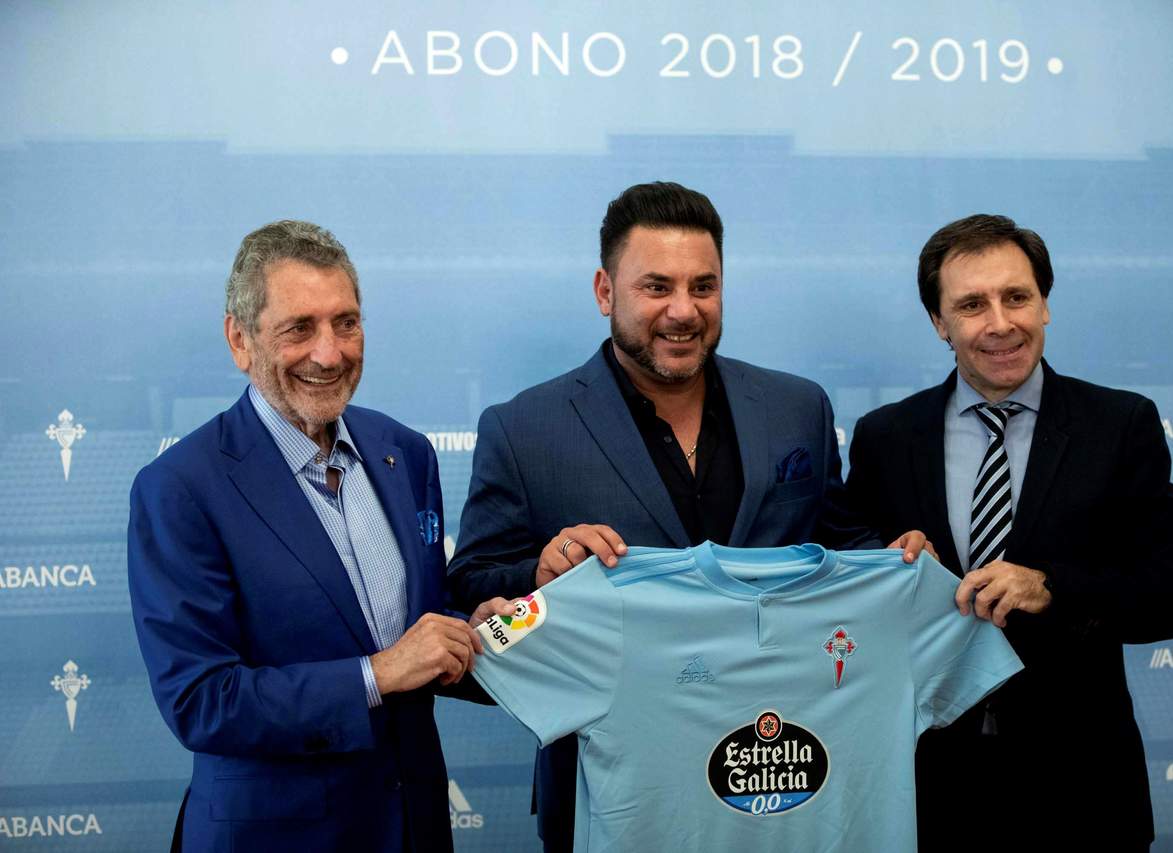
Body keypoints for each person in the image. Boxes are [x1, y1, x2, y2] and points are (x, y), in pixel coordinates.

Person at [448, 182, 927, 852]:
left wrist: (896, 561)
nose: (683, 310)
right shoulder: (524, 428)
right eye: (657, 287)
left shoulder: (798, 409)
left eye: (704, 286)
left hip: (786, 778)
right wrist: (539, 571)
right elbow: (470, 583)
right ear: (605, 292)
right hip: (617, 790)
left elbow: (841, 543)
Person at [128, 220, 506, 853]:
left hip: (414, 828)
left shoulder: (405, 452)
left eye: (346, 323)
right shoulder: (180, 487)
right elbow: (201, 700)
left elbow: (413, 627)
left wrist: (473, 632)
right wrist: (377, 674)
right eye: (299, 328)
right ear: (240, 340)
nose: (329, 354)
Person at [844, 213, 1173, 851]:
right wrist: (884, 562)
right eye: (972, 305)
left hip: (1080, 789)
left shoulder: (1120, 425)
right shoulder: (885, 437)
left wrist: (1050, 586)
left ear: (1045, 305)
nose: (1000, 323)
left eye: (1017, 297)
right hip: (925, 787)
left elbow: (1169, 600)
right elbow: (851, 576)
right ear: (939, 322)